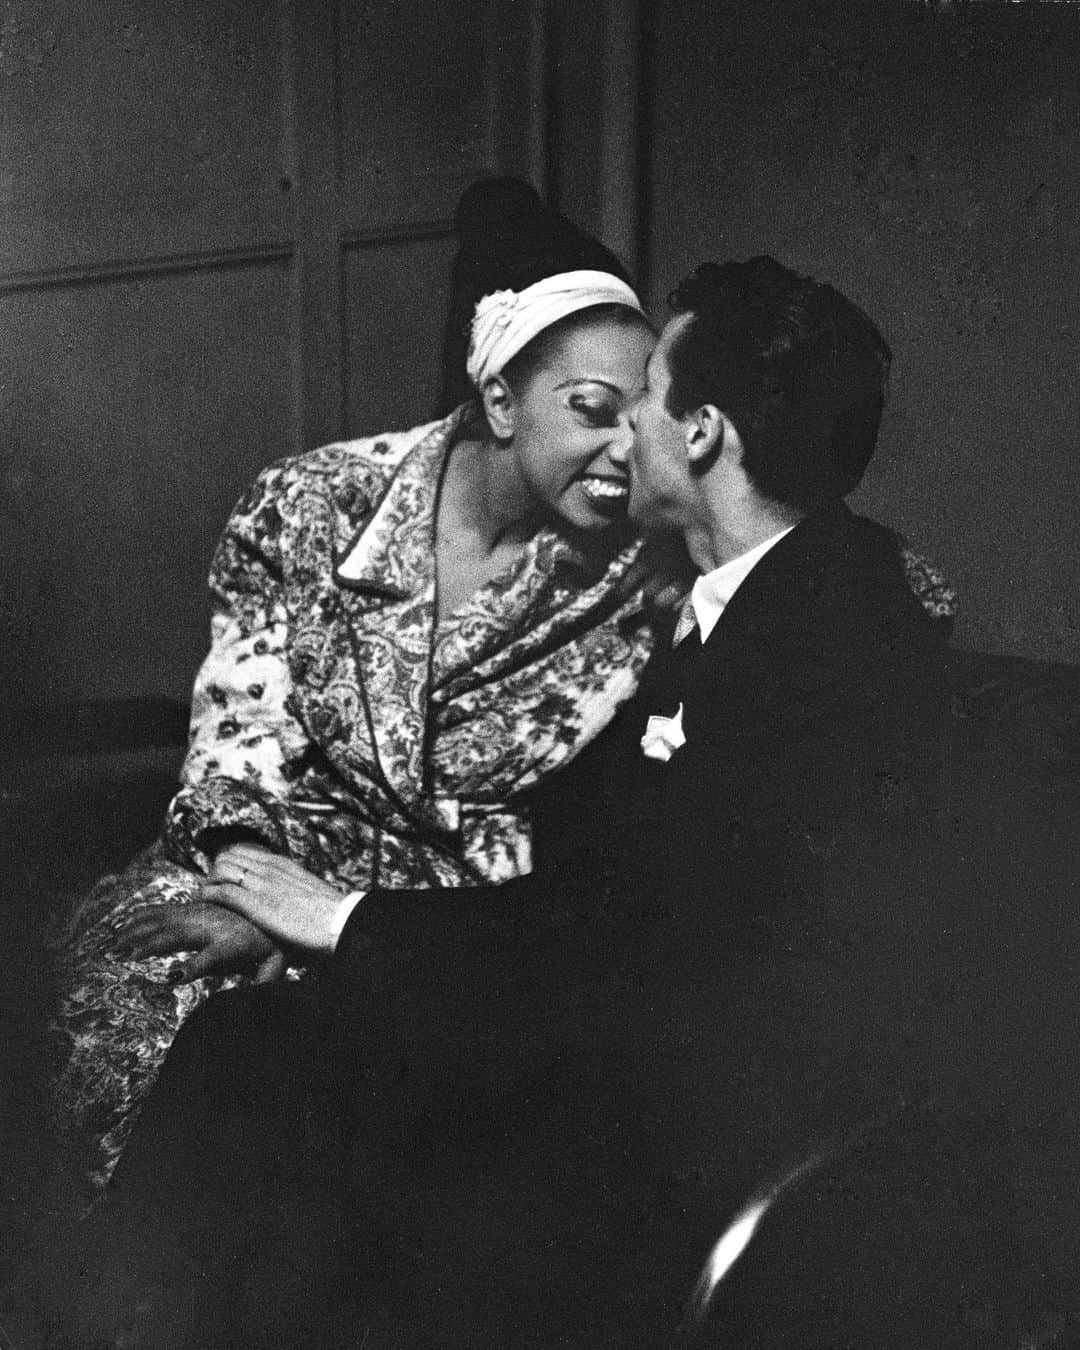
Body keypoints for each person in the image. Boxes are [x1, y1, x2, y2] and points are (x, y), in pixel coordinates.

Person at [47, 257, 1017, 1350]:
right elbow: (607, 880)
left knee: (270, 1092)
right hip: (606, 1013)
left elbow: (644, 938)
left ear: (699, 434)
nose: (625, 434)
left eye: (643, 397)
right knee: (246, 1055)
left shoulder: (828, 627)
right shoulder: (757, 589)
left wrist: (341, 921)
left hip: (681, 1108)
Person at [48, 179, 662, 1196]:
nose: (622, 451)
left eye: (641, 420)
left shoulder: (643, 575)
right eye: (592, 412)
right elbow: (239, 727)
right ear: (500, 400)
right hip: (257, 859)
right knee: (144, 1026)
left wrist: (344, 927)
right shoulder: (311, 500)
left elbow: (830, 572)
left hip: (437, 932)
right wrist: (254, 895)